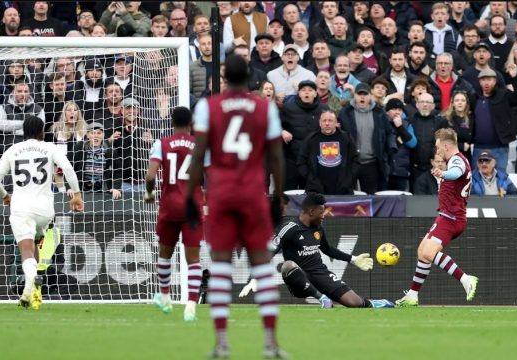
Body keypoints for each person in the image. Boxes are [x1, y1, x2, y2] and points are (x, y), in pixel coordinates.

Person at [185, 54, 286, 358]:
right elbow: (276, 157)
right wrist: (278, 196)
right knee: (263, 266)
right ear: (252, 77)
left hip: (221, 194)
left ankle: (222, 343)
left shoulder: (207, 107)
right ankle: (270, 343)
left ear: (225, 76)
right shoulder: (265, 108)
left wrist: (192, 195)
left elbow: (198, 154)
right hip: (253, 193)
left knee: (219, 266)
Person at [0, 115, 84, 310]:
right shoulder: (50, 148)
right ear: (42, 132)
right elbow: (67, 168)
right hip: (45, 210)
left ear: (24, 131)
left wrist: (6, 196)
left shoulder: (13, 150)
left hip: (21, 207)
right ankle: (30, 292)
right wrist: (76, 195)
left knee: (25, 249)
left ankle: (33, 279)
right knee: (35, 245)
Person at [241, 192, 394, 309]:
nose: (324, 215)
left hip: (320, 274)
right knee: (287, 265)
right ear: (311, 211)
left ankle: (375, 303)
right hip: (298, 279)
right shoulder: (289, 228)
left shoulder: (318, 229)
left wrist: (353, 259)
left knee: (354, 302)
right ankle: (322, 299)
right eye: (321, 212)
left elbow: (327, 249)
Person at [396, 128, 479, 307]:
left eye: (438, 146)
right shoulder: (455, 159)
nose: (437, 150)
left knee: (428, 253)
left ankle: (466, 279)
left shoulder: (457, 160)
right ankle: (412, 294)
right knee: (422, 252)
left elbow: (456, 172)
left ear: (446, 146)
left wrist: (443, 174)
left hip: (452, 218)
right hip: (446, 216)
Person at [144, 107, 203, 322]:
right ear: (191, 124)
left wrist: (149, 193)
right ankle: (190, 307)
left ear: (171, 122)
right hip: (192, 207)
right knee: (194, 260)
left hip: (169, 207)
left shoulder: (162, 143)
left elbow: (151, 175)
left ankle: (165, 297)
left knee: (165, 254)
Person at [297, 110, 359, 195]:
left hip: (343, 190)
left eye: (330, 120)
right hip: (316, 190)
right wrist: (312, 180)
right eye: (324, 120)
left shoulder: (346, 138)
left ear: (336, 123)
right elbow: (301, 162)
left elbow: (356, 161)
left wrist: (348, 180)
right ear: (319, 123)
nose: (327, 123)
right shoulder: (311, 139)